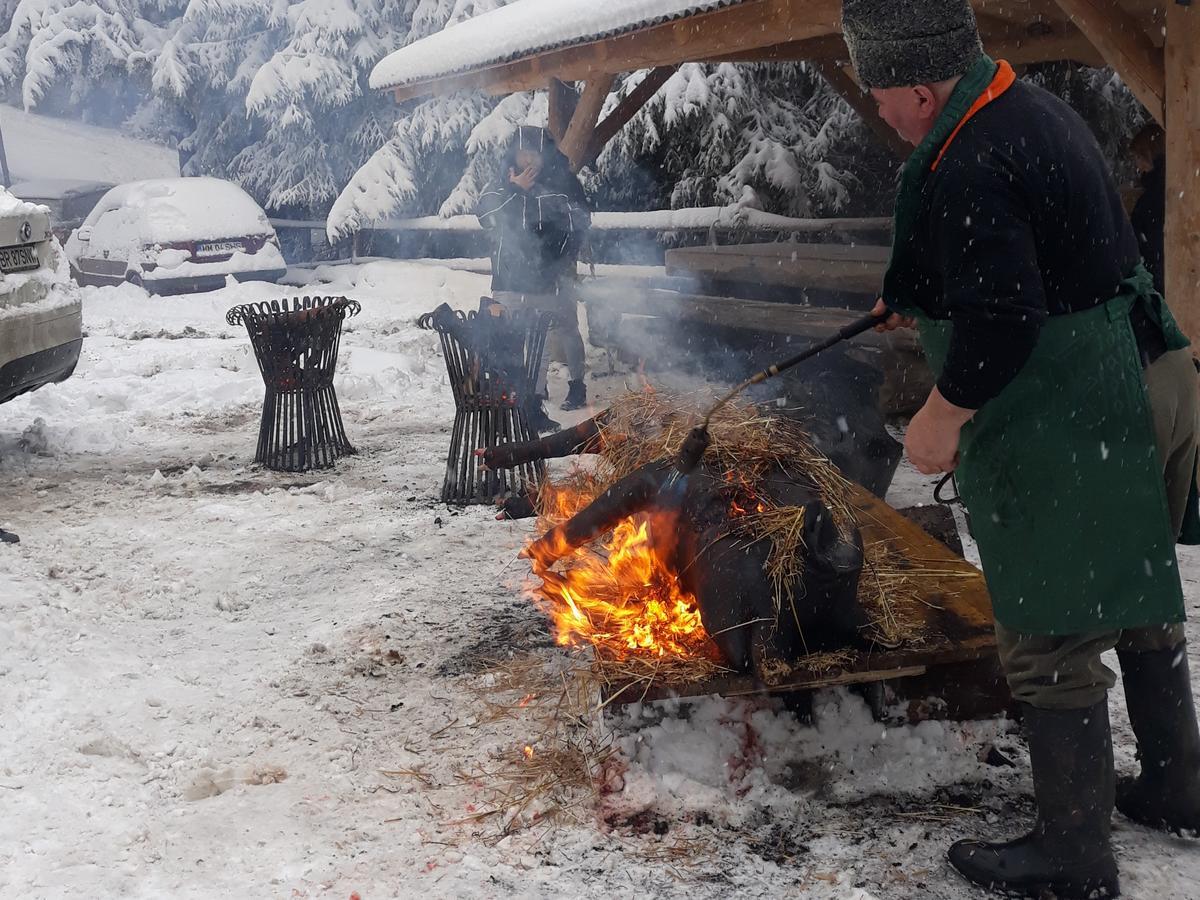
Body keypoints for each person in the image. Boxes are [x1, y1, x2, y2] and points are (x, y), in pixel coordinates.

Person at [841, 1, 1200, 897]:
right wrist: (920, 288)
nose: (879, 112)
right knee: (1138, 593)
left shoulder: (969, 158)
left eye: (881, 93)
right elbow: (1030, 243)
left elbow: (1005, 315)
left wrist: (940, 416)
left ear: (921, 89)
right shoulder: (1020, 106)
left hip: (1075, 407)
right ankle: (1177, 784)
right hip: (1150, 376)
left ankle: (1074, 856)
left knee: (1049, 627)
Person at [476, 126, 592, 432]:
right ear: (514, 153)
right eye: (523, 151)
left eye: (534, 152)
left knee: (543, 339)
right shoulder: (499, 186)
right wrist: (516, 191)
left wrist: (557, 263)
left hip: (547, 280)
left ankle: (538, 401)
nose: (529, 158)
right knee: (506, 340)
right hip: (508, 281)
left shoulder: (558, 184)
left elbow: (577, 223)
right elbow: (486, 215)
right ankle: (508, 403)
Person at [1130, 123, 1166, 296]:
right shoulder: (1156, 187)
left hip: (1156, 278)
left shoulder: (1158, 193)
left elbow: (1154, 242)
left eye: (1139, 156)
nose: (1138, 164)